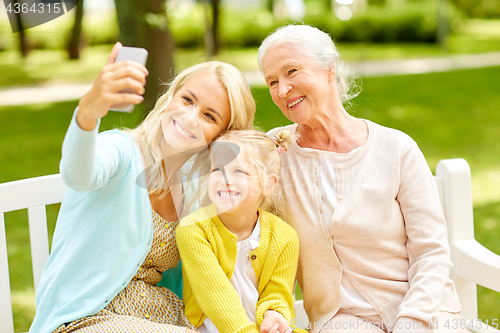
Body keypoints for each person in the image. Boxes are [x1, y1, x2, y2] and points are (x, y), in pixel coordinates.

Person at [29, 42, 255, 333]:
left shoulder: (194, 189)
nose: (189, 117)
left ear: (221, 136)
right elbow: (78, 175)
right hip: (81, 319)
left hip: (160, 316)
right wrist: (88, 112)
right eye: (187, 100)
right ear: (171, 96)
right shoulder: (121, 151)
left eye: (209, 116)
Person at [257, 25, 465, 333]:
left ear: (330, 68)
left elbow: (431, 251)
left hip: (427, 308)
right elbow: (227, 194)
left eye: (292, 71)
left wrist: (413, 320)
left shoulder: (396, 148)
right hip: (341, 320)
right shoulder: (273, 153)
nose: (282, 90)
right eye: (272, 81)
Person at [176, 129, 306, 333]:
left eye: (239, 171)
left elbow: (277, 294)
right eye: (216, 169)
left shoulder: (284, 237)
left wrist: (274, 315)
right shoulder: (194, 229)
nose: (225, 179)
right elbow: (215, 295)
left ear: (268, 184)